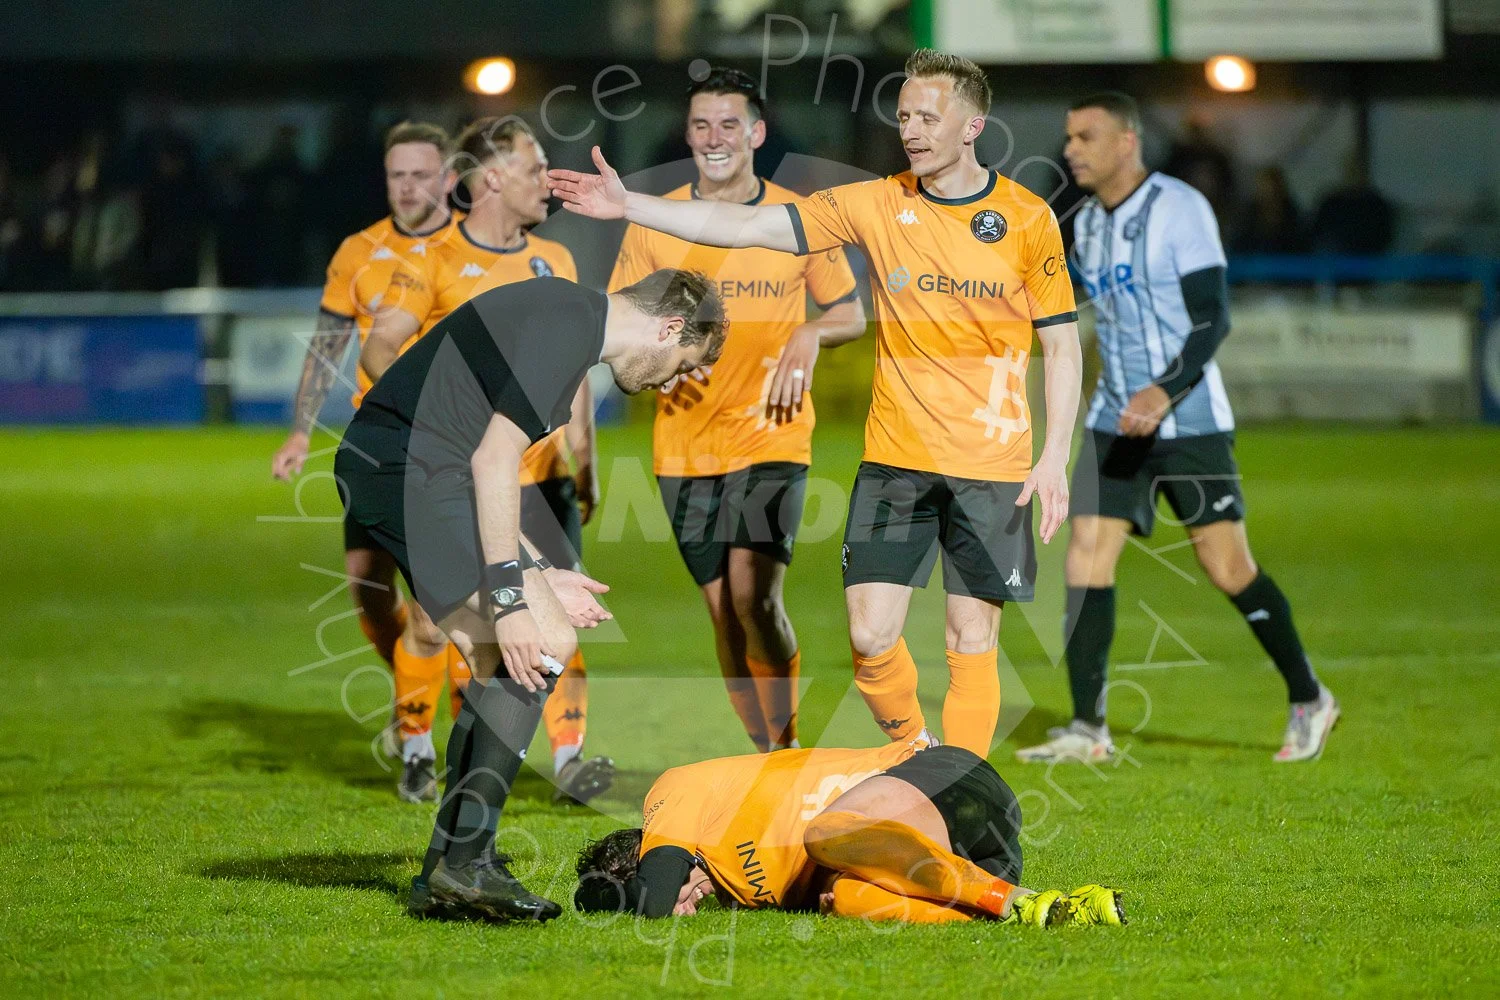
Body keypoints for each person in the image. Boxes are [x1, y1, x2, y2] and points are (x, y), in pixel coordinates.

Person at [552, 49, 1083, 759]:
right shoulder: (874, 202)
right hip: (894, 462)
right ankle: (915, 749)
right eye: (903, 117)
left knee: (971, 637)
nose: (913, 130)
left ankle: (960, 789)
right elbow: (748, 227)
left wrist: (1053, 458)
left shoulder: (1025, 219)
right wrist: (632, 205)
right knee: (868, 637)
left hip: (994, 463)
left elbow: (1064, 346)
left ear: (972, 124)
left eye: (930, 116)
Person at [336, 270, 728, 922]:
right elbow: (491, 463)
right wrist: (515, 598)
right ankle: (465, 864)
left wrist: (542, 567)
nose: (668, 383)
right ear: (668, 327)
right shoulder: (570, 326)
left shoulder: (567, 318)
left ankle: (453, 867)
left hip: (413, 469)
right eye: (679, 363)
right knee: (540, 642)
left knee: (503, 662)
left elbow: (479, 462)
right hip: (405, 471)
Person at [1016, 93, 1339, 766]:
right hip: (1116, 419)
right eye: (1069, 136)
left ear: (1127, 142)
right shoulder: (1087, 222)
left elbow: (1212, 318)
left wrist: (1166, 388)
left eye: (1086, 135)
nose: (1071, 147)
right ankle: (1088, 728)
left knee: (1225, 565)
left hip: (1188, 418)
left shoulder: (1180, 209)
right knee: (1085, 552)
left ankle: (1310, 696)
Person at [607, 67, 865, 753]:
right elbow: (621, 328)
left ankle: (787, 748)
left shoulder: (796, 220)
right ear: (687, 134)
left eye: (728, 124)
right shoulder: (655, 224)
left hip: (772, 434)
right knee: (722, 613)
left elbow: (850, 312)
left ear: (755, 132)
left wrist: (811, 331)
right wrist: (651, 369)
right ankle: (765, 755)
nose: (713, 138)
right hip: (683, 447)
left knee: (755, 595)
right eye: (700, 125)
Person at [362, 117, 608, 805]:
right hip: (463, 478)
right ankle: (416, 746)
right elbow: (382, 350)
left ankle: (567, 759)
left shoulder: (556, 260)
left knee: (566, 608)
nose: (548, 183)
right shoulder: (432, 259)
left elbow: (577, 370)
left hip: (545, 475)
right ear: (494, 178)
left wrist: (586, 455)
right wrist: (440, 412)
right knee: (436, 620)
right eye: (536, 170)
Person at [270, 120, 457, 755]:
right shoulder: (359, 251)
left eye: (420, 174)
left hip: (452, 444)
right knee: (371, 595)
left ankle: (435, 726)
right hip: (377, 439)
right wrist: (299, 432)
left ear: (448, 177)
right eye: (396, 175)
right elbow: (325, 345)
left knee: (442, 598)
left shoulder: (475, 247)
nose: (406, 188)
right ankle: (418, 690)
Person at [573, 738, 1125, 926]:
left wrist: (609, 897)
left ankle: (1014, 901)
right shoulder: (740, 896)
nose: (680, 909)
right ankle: (1028, 911)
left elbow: (654, 895)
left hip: (945, 781)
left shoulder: (673, 793)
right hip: (962, 861)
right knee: (845, 899)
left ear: (639, 858)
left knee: (827, 833)